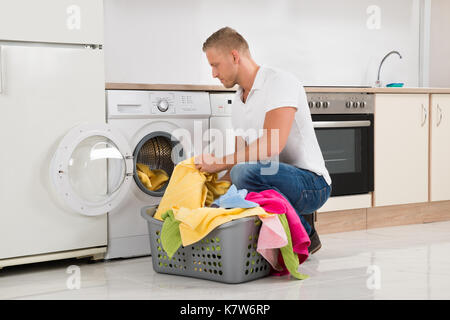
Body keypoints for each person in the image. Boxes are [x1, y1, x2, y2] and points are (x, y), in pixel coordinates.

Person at [194, 26, 331, 254]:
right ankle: (282, 231)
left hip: (312, 184)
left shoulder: (279, 82)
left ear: (234, 56)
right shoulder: (238, 102)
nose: (214, 74)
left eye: (215, 65)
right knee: (234, 181)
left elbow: (271, 145)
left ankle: (306, 233)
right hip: (275, 177)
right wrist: (212, 199)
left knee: (243, 173)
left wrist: (219, 162)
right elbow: (237, 163)